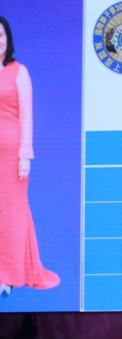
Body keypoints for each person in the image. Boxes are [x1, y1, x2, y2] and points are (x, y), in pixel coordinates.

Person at [0, 16, 59, 297]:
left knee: (11, 213)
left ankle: (7, 276)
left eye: (1, 35)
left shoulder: (19, 71)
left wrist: (25, 154)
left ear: (8, 39)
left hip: (11, 153)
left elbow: (26, 116)